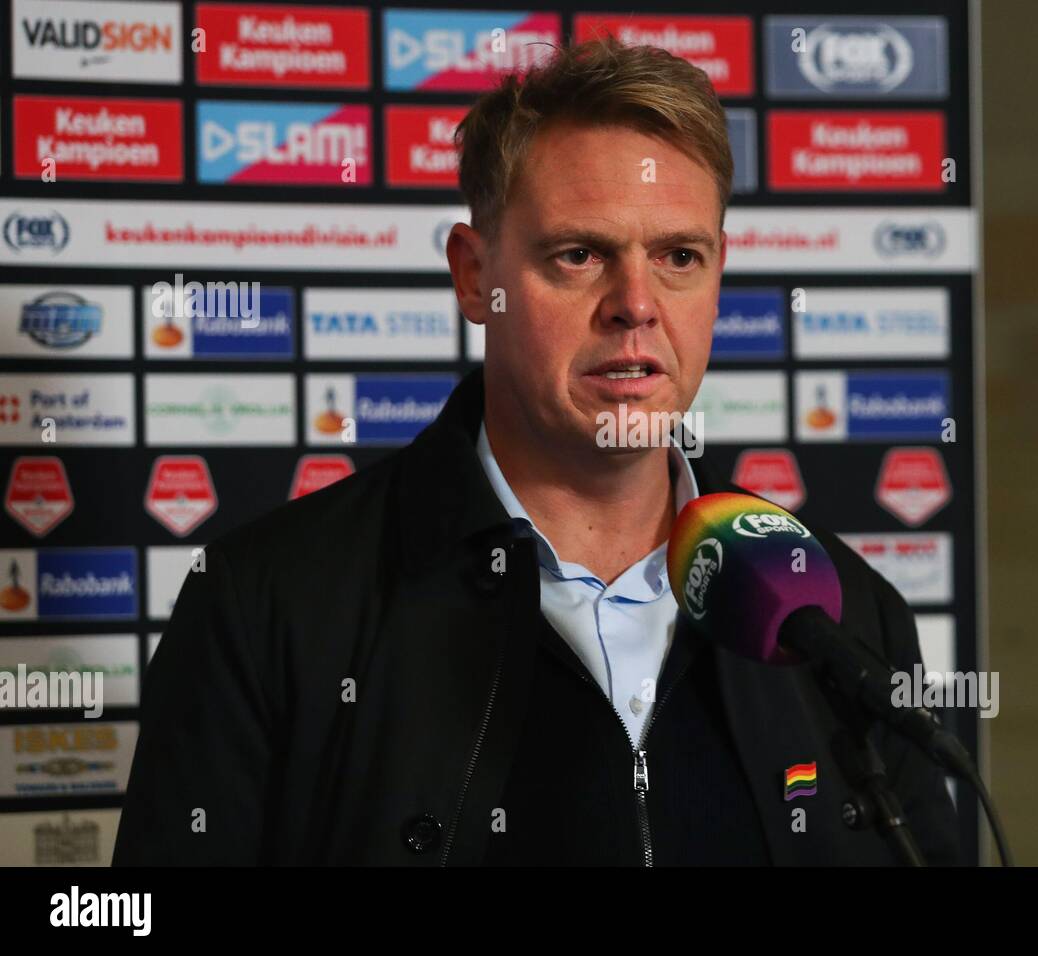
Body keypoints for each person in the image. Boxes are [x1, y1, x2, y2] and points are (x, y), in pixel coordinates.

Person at [113, 36, 961, 866]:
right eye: (580, 255)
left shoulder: (850, 615)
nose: (636, 305)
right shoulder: (262, 612)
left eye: (678, 257)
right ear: (475, 276)